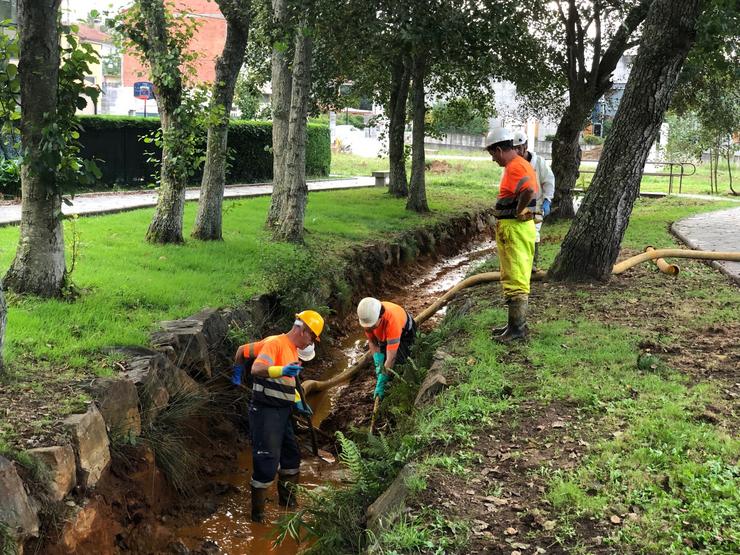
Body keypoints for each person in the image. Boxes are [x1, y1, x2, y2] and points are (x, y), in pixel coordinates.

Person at [248, 310, 324, 522]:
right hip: (265, 412)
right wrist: (281, 370)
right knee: (267, 463)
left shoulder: (292, 350)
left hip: (282, 412)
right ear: (301, 329)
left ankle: (288, 507)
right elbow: (257, 368)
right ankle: (258, 518)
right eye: (311, 337)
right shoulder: (275, 343)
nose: (310, 342)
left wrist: (299, 402)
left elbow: (290, 383)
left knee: (291, 457)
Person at [485, 127, 538, 342]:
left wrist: (517, 211)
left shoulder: (515, 166)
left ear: (499, 150)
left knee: (515, 277)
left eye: (492, 155)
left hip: (513, 229)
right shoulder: (521, 163)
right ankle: (513, 326)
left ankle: (517, 329)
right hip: (518, 229)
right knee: (514, 276)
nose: (493, 160)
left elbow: (528, 191)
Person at [356, 297, 417, 399]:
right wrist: (378, 360)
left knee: (397, 366)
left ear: (380, 316)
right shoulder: (368, 317)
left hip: (404, 335)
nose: (369, 329)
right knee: (384, 366)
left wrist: (382, 381)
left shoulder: (392, 322)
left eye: (372, 326)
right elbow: (372, 342)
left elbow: (391, 358)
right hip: (384, 336)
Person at [512, 130, 555, 271]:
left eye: (519, 148)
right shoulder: (513, 164)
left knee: (533, 233)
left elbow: (549, 181)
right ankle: (519, 264)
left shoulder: (539, 163)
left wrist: (547, 200)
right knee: (518, 234)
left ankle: (532, 264)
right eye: (514, 148)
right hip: (519, 205)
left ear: (525, 146)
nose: (517, 151)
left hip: (536, 205)